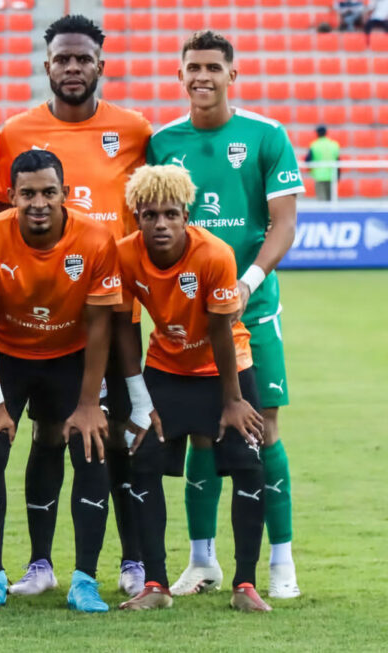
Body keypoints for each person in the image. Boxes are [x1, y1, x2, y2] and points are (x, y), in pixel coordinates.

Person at [0, 14, 153, 598]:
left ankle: (133, 560)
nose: (73, 68)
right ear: (46, 64)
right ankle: (40, 563)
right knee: (48, 436)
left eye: (83, 59)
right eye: (62, 59)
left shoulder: (134, 130)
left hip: (114, 315)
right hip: (38, 321)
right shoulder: (16, 131)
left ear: (101, 64)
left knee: (115, 435)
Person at [148, 30, 303, 600]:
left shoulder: (266, 135)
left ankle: (281, 563)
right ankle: (202, 561)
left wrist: (248, 281)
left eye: (213, 67)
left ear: (232, 75)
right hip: (188, 319)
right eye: (193, 67)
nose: (202, 76)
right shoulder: (163, 143)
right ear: (180, 75)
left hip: (253, 310)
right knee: (201, 436)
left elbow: (285, 223)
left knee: (264, 429)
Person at [0, 150, 121, 613]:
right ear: (11, 195)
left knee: (90, 448)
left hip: (70, 356)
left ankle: (85, 580)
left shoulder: (95, 239)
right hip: (8, 356)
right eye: (27, 193)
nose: (38, 203)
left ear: (64, 194)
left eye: (49, 192)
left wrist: (89, 404)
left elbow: (100, 326)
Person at [113, 164, 271, 613]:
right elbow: (124, 326)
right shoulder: (124, 255)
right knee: (142, 461)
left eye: (170, 214)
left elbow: (221, 329)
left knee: (248, 464)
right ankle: (155, 584)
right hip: (167, 368)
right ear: (137, 218)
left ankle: (245, 585)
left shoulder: (215, 254)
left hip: (226, 367)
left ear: (186, 215)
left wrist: (233, 401)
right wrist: (140, 400)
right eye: (150, 215)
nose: (160, 224)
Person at [305, 126, 340, 201]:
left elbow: (308, 160)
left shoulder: (314, 145)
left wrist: (311, 170)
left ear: (317, 133)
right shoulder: (334, 145)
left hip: (319, 176)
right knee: (331, 201)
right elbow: (338, 161)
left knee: (321, 201)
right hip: (332, 175)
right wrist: (338, 176)